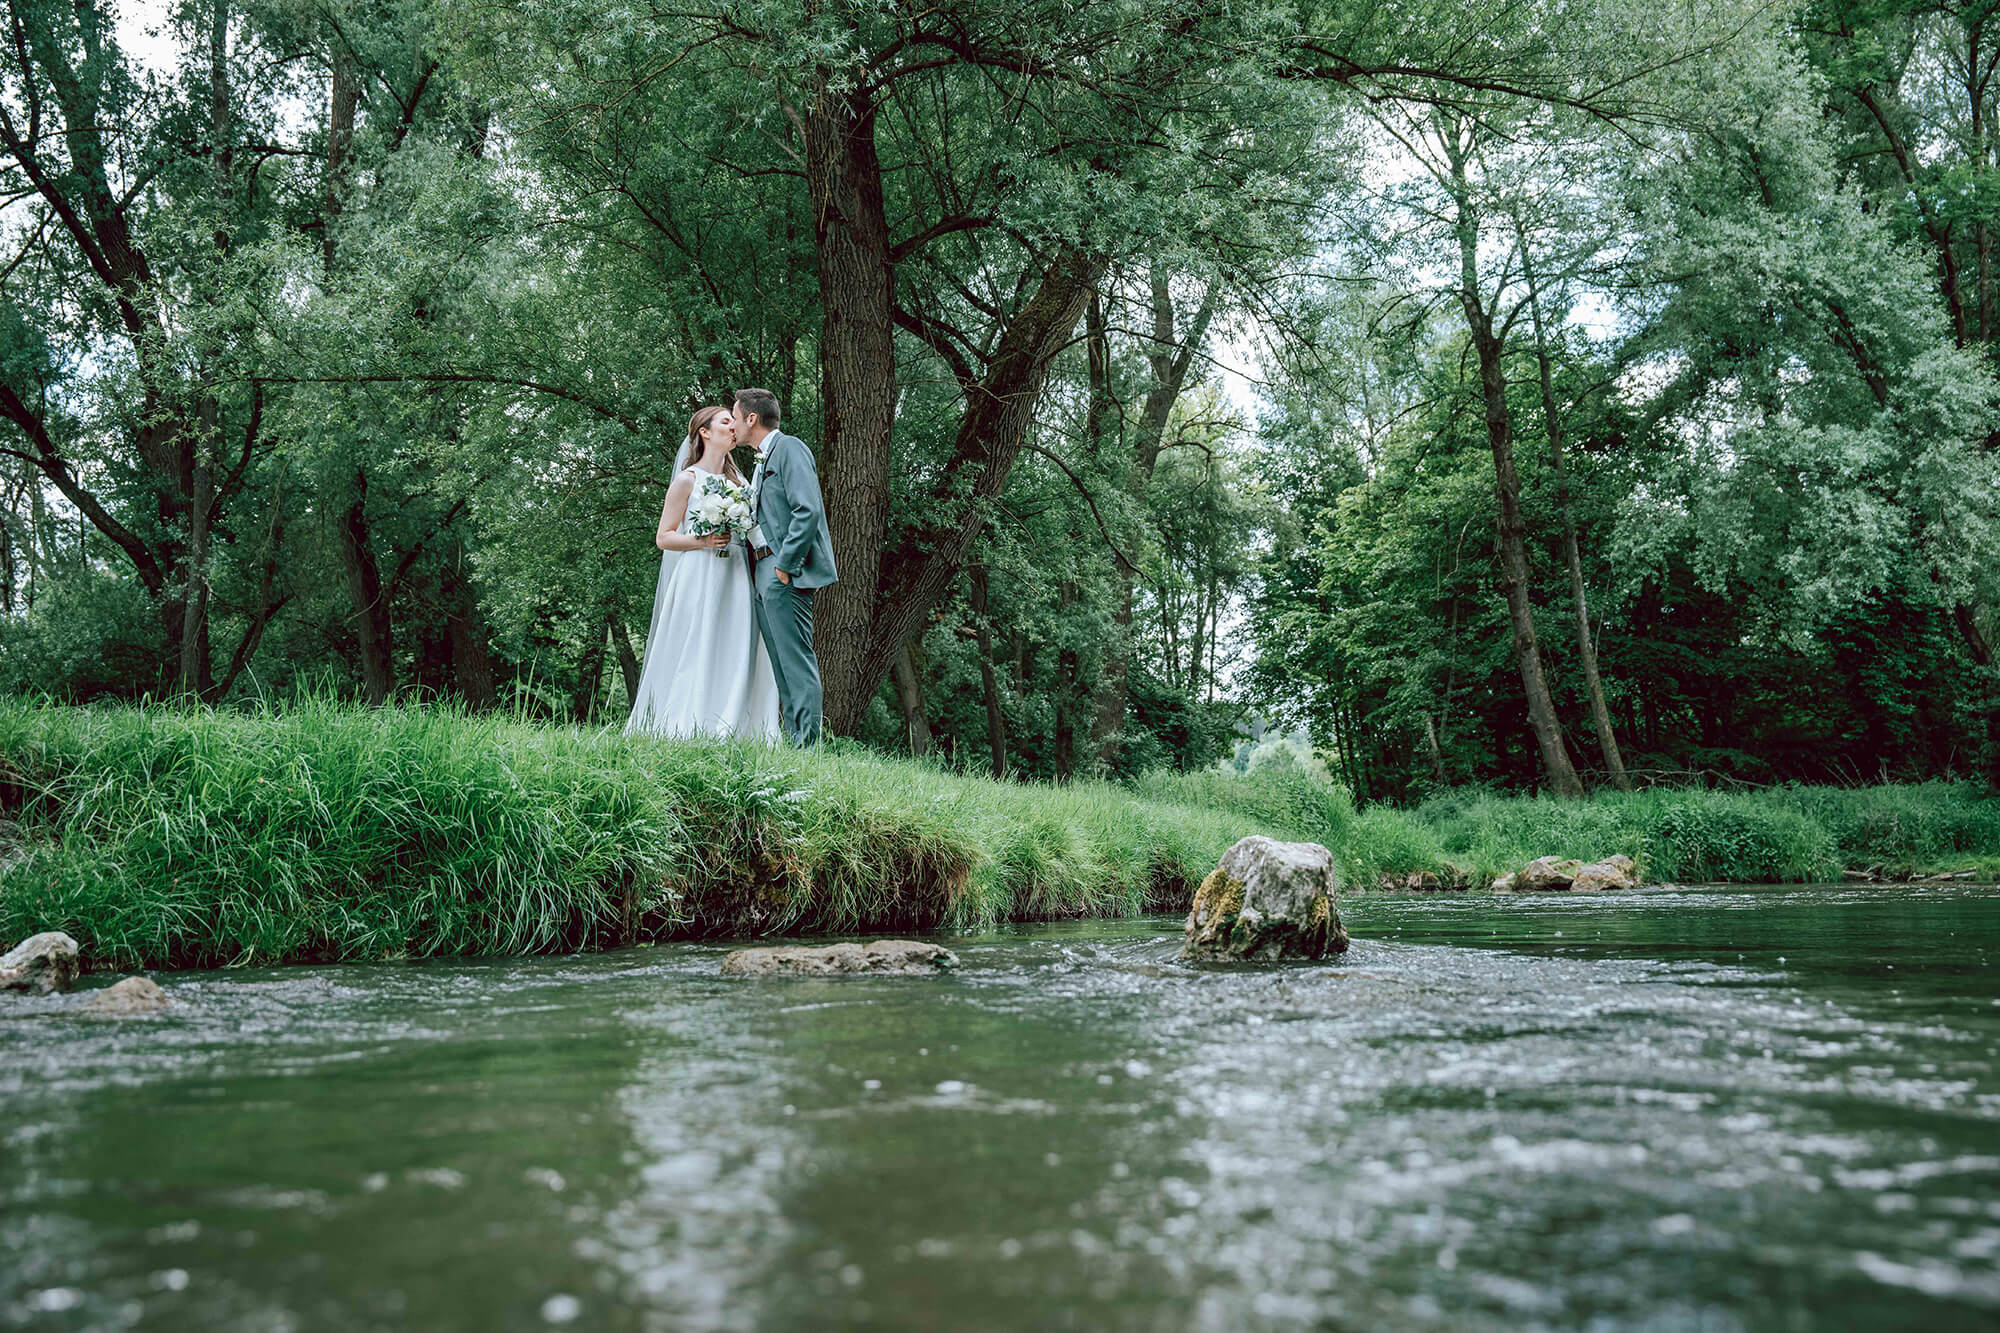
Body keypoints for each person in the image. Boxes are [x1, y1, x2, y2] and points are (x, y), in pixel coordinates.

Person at [624, 405, 781, 741]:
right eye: (725, 421)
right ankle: (688, 724)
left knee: (736, 646)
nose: (733, 426)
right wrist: (702, 539)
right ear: (705, 433)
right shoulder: (687, 480)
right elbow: (663, 537)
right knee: (698, 644)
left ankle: (735, 727)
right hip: (699, 572)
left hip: (737, 573)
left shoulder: (741, 481)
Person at [736, 387, 838, 746]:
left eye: (735, 417)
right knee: (780, 664)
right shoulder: (761, 460)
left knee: (796, 662)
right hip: (762, 570)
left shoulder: (790, 448)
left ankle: (808, 747)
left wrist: (785, 564)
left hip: (783, 571)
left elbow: (807, 509)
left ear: (752, 418)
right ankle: (795, 742)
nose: (732, 425)